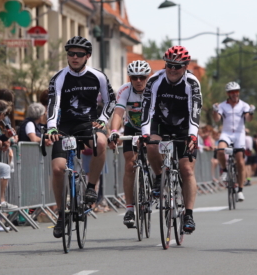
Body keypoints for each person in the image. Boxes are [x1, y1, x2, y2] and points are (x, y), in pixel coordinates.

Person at [46, 36, 116, 239]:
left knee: (101, 142)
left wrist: (103, 120)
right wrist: (51, 127)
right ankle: (61, 214)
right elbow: (53, 103)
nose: (74, 57)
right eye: (70, 54)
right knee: (58, 168)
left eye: (79, 54)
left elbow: (111, 100)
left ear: (87, 56)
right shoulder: (59, 77)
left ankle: (92, 186)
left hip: (90, 122)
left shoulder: (98, 76)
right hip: (65, 125)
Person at [140, 46, 202, 233]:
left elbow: (195, 112)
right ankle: (159, 177)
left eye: (178, 66)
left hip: (184, 127)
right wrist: (144, 132)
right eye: (170, 65)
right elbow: (147, 109)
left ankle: (189, 214)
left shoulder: (192, 83)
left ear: (185, 66)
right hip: (161, 124)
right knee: (151, 145)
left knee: (187, 170)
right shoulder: (155, 80)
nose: (173, 70)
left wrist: (192, 135)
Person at [108, 60, 152, 228]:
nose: (138, 80)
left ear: (147, 77)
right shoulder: (125, 90)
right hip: (132, 128)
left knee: (157, 153)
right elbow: (119, 112)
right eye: (134, 77)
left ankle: (157, 182)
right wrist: (113, 132)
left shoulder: (153, 89)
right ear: (130, 78)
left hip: (152, 127)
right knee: (129, 164)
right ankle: (129, 208)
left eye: (142, 77)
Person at [212, 82, 255, 202]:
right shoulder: (222, 105)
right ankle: (225, 170)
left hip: (239, 134)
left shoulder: (244, 105)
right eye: (231, 92)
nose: (234, 94)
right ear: (228, 94)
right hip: (226, 133)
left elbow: (248, 119)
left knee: (240, 161)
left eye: (236, 91)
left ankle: (240, 190)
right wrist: (215, 111)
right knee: (220, 150)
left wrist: (251, 112)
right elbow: (216, 120)